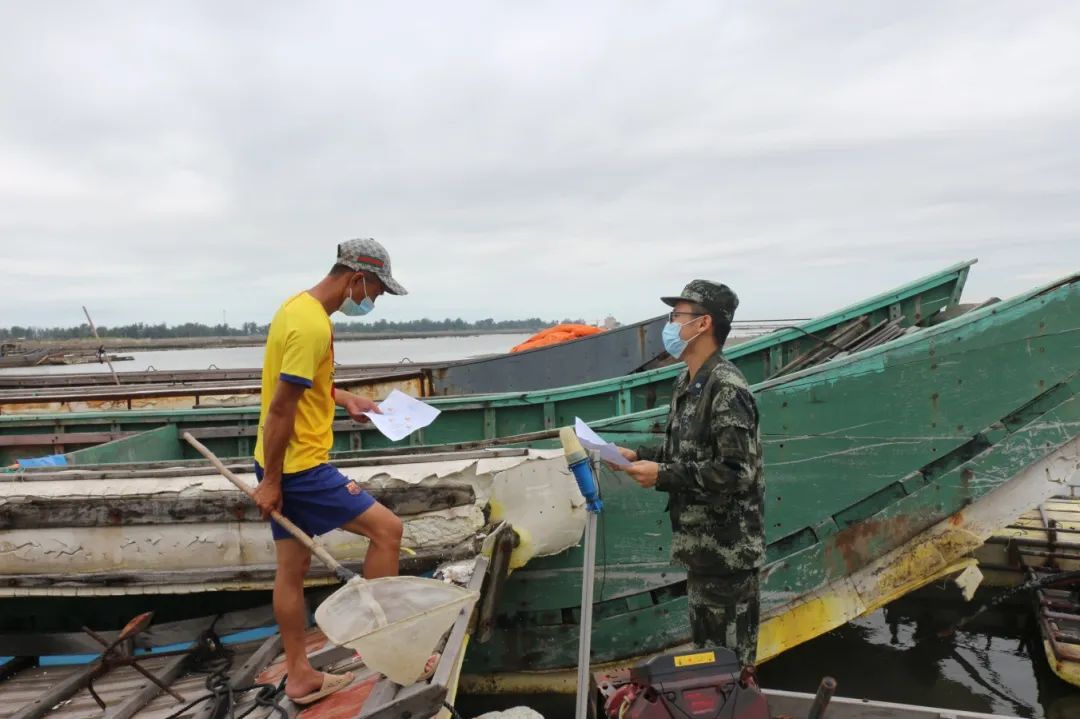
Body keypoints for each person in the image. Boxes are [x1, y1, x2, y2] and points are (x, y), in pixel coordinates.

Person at [252, 237, 436, 704]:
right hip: (299, 467)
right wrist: (274, 481)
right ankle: (389, 648)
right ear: (357, 278)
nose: (373, 300)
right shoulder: (312, 326)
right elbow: (280, 409)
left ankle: (300, 676)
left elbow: (308, 388)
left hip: (283, 461)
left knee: (291, 571)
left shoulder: (296, 309)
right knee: (387, 531)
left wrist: (348, 399)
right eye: (375, 291)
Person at [613, 280, 765, 666]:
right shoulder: (688, 382)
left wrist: (662, 476)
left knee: (731, 667)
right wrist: (637, 455)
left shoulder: (727, 388)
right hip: (701, 550)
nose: (671, 324)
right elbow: (684, 452)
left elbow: (736, 471)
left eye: (677, 316)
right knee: (709, 665)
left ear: (702, 324)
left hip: (728, 554)